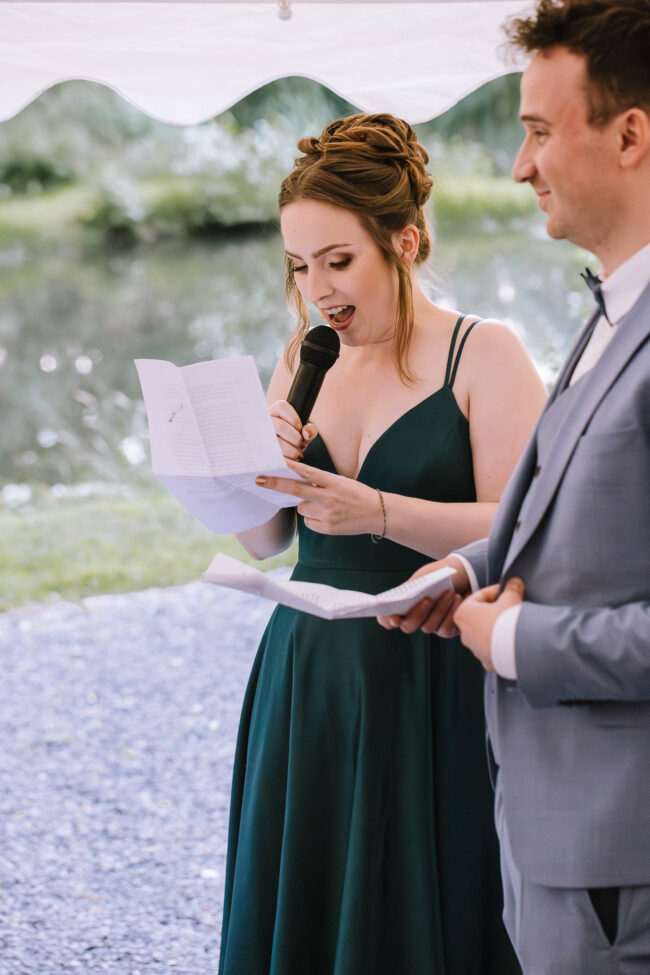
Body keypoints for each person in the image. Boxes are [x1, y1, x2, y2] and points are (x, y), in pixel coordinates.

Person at [218, 112, 545, 975]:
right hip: (310, 674)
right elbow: (262, 540)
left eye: (338, 260)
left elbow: (529, 522)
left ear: (403, 241)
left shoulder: (485, 353)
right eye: (298, 266)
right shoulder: (303, 354)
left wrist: (383, 513)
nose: (318, 289)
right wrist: (252, 465)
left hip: (430, 668)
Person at [379, 3, 650, 973]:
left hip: (625, 870)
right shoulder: (610, 312)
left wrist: (515, 641)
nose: (516, 166)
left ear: (628, 135)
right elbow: (559, 517)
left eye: (536, 130)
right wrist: (462, 570)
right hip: (557, 843)